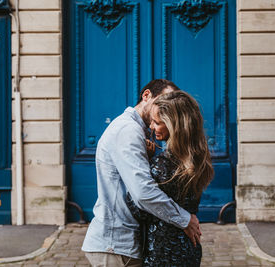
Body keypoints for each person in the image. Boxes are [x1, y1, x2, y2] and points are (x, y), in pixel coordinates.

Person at [81, 79, 202, 267]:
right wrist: (185, 220)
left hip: (125, 244)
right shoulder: (128, 130)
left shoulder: (141, 132)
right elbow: (143, 193)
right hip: (116, 245)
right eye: (161, 102)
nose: (164, 109)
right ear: (146, 96)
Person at [126, 91, 214, 266]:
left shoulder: (162, 165)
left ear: (174, 126)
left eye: (157, 123)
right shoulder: (197, 159)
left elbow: (136, 206)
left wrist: (146, 161)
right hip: (189, 248)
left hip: (163, 253)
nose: (150, 126)